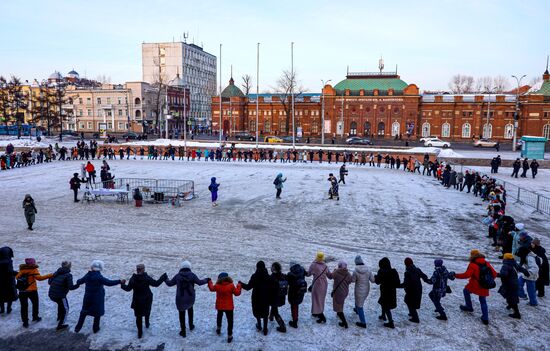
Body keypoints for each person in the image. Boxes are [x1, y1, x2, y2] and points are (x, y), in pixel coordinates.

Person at [74, 260, 124, 333]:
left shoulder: (87, 275)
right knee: (97, 314)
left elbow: (79, 281)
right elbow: (109, 283)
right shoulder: (99, 277)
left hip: (87, 297)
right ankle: (95, 328)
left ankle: (77, 328)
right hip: (97, 298)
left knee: (84, 312)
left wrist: (78, 282)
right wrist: (119, 281)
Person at [452, 250, 497, 325]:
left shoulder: (472, 264)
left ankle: (469, 306)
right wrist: (487, 281)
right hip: (485, 285)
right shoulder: (486, 263)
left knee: (466, 291)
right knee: (483, 301)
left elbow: (466, 275)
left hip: (475, 285)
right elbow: (494, 274)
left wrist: (455, 275)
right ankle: (485, 318)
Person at [122, 264, 167, 338]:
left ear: (137, 270)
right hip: (147, 299)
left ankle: (140, 332)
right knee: (147, 311)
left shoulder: (133, 279)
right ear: (143, 269)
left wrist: (122, 284)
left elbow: (128, 289)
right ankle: (147, 323)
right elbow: (156, 284)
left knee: (138, 317)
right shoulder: (146, 278)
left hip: (137, 300)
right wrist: (163, 277)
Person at [165, 261, 208, 338]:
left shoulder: (178, 276)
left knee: (181, 314)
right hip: (190, 297)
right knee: (190, 309)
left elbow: (170, 284)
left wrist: (165, 279)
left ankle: (183, 331)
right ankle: (191, 325)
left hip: (180, 298)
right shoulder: (192, 275)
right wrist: (207, 280)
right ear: (189, 267)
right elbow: (200, 282)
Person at [15, 258, 53, 328]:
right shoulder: (34, 270)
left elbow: (17, 277)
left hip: (22, 291)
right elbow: (39, 278)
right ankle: (35, 317)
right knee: (35, 304)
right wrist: (50, 275)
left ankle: (25, 322)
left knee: (24, 307)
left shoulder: (22, 269)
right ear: (32, 263)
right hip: (32, 290)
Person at [208, 272, 242, 343]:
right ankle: (229, 336)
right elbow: (237, 293)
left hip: (220, 306)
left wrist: (210, 281)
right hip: (229, 307)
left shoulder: (217, 285)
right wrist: (239, 285)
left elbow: (211, 288)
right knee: (230, 321)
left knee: (219, 316)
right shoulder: (231, 285)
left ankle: (218, 328)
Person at [240, 261, 272, 335]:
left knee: (257, 312)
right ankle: (265, 329)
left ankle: (259, 326)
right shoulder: (268, 276)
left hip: (256, 297)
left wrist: (241, 284)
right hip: (266, 297)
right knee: (265, 313)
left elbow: (248, 287)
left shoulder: (254, 276)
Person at [48, 261, 79, 330]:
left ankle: (59, 317)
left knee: (60, 304)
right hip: (59, 295)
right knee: (66, 309)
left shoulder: (57, 272)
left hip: (51, 294)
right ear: (69, 267)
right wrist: (78, 285)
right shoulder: (68, 275)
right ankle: (61, 324)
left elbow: (49, 282)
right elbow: (71, 287)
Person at [498, 253, 526, 319]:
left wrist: (496, 274)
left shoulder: (506, 265)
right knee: (509, 295)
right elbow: (521, 269)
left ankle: (517, 314)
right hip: (515, 283)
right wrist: (526, 272)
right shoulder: (514, 263)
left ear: (505, 258)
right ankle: (510, 304)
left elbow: (504, 274)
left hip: (509, 284)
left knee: (512, 297)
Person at [400, 257, 428, 323]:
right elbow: (425, 276)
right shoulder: (417, 269)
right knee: (409, 301)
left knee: (409, 302)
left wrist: (397, 285)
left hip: (411, 290)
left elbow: (405, 284)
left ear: (405, 264)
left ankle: (415, 318)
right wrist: (426, 280)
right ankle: (411, 313)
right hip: (418, 288)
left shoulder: (407, 272)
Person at [374, 257, 400, 328]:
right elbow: (398, 283)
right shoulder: (394, 271)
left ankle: (391, 322)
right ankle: (383, 316)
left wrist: (376, 277)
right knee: (384, 303)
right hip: (392, 291)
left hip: (384, 291)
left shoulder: (381, 271)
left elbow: (377, 282)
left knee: (385, 306)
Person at [308, 252, 332, 324]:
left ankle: (322, 316)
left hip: (317, 284)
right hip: (324, 284)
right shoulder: (325, 266)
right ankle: (316, 312)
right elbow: (330, 276)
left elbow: (308, 274)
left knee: (316, 299)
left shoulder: (313, 265)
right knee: (321, 299)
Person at [351, 255, 375, 328]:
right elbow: (373, 280)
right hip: (366, 289)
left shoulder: (355, 271)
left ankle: (363, 322)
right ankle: (356, 309)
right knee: (359, 301)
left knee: (360, 305)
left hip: (359, 289)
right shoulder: (368, 270)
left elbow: (353, 280)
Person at [330, 260, 353, 328]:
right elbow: (350, 281)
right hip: (345, 292)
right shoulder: (348, 273)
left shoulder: (337, 271)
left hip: (338, 292)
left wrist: (334, 270)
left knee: (338, 308)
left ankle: (344, 323)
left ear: (339, 266)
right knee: (341, 303)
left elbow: (331, 276)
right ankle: (339, 313)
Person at [286, 261, 307, 328]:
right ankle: (295, 317)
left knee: (294, 306)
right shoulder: (302, 270)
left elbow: (287, 283)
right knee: (296, 305)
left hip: (293, 292)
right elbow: (306, 274)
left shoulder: (290, 274)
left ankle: (295, 322)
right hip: (301, 291)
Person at [269, 262, 288, 333]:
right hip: (281, 297)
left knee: (275, 311)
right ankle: (271, 317)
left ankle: (282, 326)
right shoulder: (283, 276)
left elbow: (269, 289)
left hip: (274, 297)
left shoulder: (272, 277)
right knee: (274, 307)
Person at [0, 247, 17, 314]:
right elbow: (10, 271)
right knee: (10, 295)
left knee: (1, 296)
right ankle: (8, 308)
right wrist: (18, 273)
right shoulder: (8, 262)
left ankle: (2, 309)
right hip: (9, 282)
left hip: (0, 282)